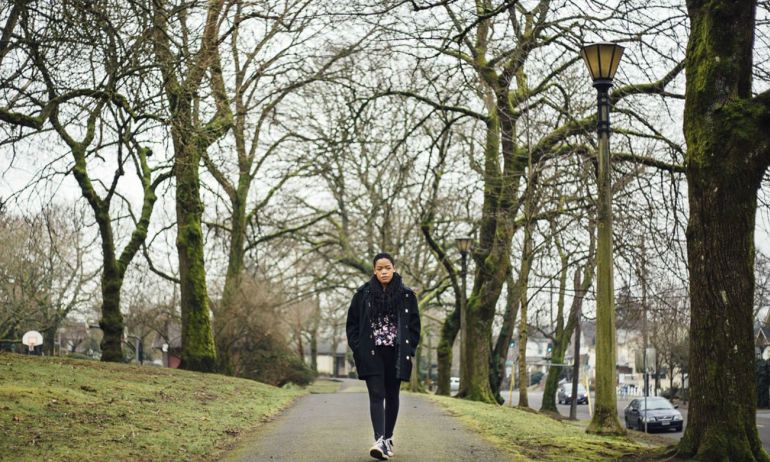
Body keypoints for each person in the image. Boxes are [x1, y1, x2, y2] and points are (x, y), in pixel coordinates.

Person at [346, 252, 421, 461]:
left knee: (392, 394)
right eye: (380, 269)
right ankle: (379, 440)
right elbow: (352, 323)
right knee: (376, 394)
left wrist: (410, 348)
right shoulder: (363, 294)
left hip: (396, 353)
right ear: (374, 271)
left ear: (394, 268)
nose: (384, 271)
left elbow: (415, 326)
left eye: (387, 267)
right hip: (371, 353)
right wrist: (358, 347)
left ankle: (387, 439)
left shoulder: (406, 295)